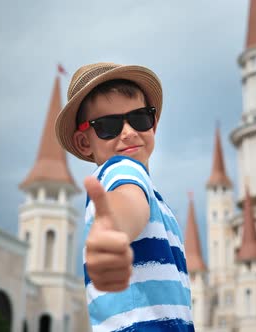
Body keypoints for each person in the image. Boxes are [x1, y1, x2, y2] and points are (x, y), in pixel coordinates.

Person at [55, 62, 194, 331]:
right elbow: (127, 200)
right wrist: (113, 230)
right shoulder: (121, 169)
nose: (129, 132)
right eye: (109, 125)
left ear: (153, 123)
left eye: (140, 117)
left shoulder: (153, 195)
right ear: (85, 142)